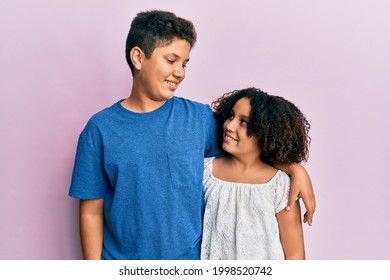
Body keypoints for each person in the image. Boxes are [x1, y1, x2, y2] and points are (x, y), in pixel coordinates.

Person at [69, 10, 315, 260]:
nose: (180, 72)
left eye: (184, 63)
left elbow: (246, 152)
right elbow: (91, 209)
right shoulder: (99, 130)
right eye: (171, 60)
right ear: (138, 57)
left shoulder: (200, 119)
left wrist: (294, 169)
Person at [201, 88, 310, 260]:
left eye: (243, 122)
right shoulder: (205, 172)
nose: (229, 126)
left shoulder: (279, 185)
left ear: (267, 134)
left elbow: (295, 255)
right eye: (231, 116)